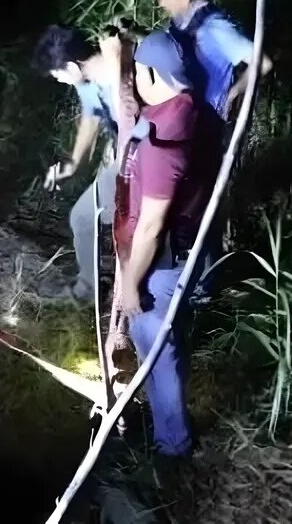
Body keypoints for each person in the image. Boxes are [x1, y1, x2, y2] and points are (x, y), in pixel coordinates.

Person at [106, 28, 222, 459]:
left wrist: (132, 283)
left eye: (136, 70)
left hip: (163, 262)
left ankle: (172, 447)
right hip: (189, 252)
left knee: (157, 353)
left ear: (153, 73)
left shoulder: (163, 140)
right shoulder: (194, 111)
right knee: (165, 345)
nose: (133, 77)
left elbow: (152, 225)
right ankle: (166, 430)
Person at [156, 0, 273, 302]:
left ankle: (206, 286)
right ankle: (189, 273)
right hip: (180, 125)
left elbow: (260, 62)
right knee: (183, 201)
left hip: (205, 128)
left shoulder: (215, 27)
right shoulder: (180, 25)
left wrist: (231, 94)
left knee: (203, 201)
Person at [31, 25, 121, 302]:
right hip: (122, 154)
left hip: (141, 158)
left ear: (70, 66)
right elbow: (91, 116)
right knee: (90, 218)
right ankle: (100, 282)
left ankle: (89, 292)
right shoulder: (88, 80)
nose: (58, 80)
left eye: (57, 74)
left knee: (83, 218)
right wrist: (72, 164)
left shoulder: (117, 76)